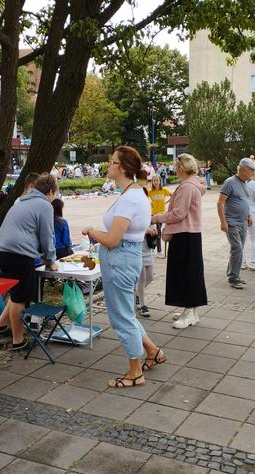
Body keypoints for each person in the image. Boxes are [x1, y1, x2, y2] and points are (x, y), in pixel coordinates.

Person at [82, 146, 165, 388]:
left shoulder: (130, 197)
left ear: (123, 168)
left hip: (120, 258)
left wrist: (92, 231)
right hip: (124, 257)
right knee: (126, 312)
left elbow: (112, 240)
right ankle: (153, 352)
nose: (109, 164)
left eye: (112, 161)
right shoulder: (134, 193)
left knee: (121, 318)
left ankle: (135, 372)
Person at [0, 174, 59, 351]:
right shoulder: (44, 205)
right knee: (20, 298)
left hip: (3, 250)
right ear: (51, 191)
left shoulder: (22, 200)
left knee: (17, 291)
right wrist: (51, 260)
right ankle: (18, 340)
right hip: (18, 253)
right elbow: (47, 235)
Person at [152, 153, 207, 329]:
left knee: (186, 274)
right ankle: (190, 311)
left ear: (181, 168)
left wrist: (156, 218)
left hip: (185, 234)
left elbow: (178, 213)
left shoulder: (187, 187)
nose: (175, 169)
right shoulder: (192, 185)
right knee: (190, 273)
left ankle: (190, 312)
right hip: (189, 234)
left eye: (176, 166)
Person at [217, 158, 255, 289]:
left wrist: (249, 215)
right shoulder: (229, 183)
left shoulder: (245, 182)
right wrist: (223, 222)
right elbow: (220, 203)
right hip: (232, 222)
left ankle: (233, 274)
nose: (253, 174)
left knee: (238, 250)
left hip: (243, 222)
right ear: (243, 170)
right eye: (251, 171)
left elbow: (244, 201)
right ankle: (233, 277)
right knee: (237, 248)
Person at [135, 225, 157, 318]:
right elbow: (131, 232)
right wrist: (145, 231)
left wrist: (154, 230)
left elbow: (154, 228)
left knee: (150, 277)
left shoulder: (149, 216)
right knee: (142, 279)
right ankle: (143, 305)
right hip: (138, 251)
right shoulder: (136, 216)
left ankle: (136, 294)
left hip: (148, 251)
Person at [148, 175, 171, 257]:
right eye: (154, 180)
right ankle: (153, 249)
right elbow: (143, 197)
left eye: (157, 180)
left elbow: (173, 195)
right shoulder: (150, 191)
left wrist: (167, 202)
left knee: (158, 232)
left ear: (160, 181)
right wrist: (149, 203)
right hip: (153, 214)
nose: (155, 182)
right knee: (153, 232)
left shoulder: (164, 190)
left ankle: (158, 251)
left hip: (161, 215)